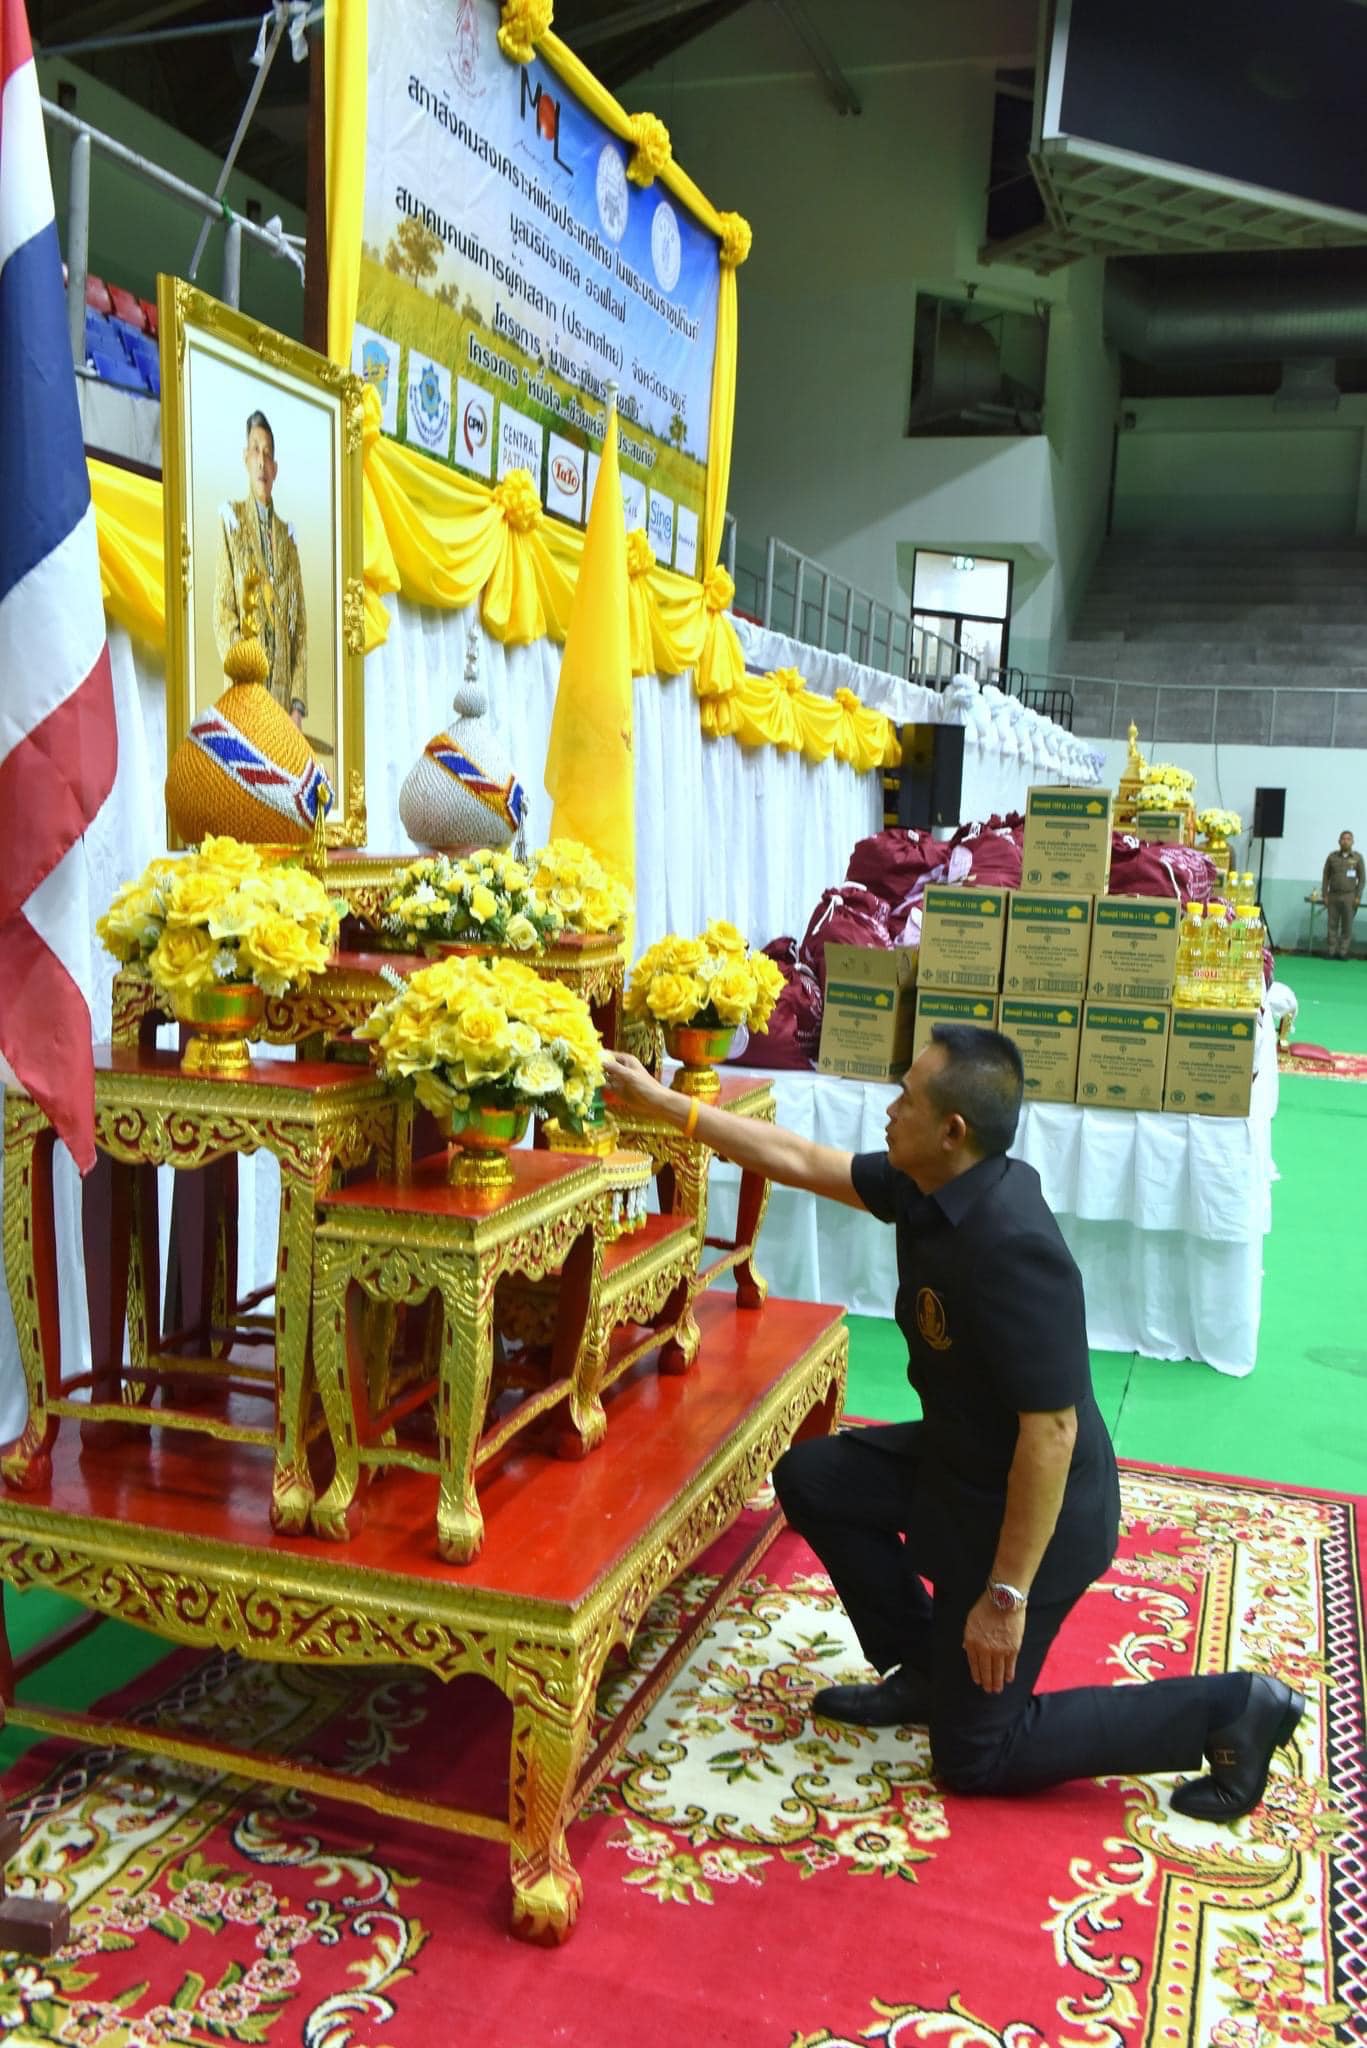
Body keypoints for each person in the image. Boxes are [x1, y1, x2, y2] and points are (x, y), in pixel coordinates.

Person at [602, 1026, 1303, 1820]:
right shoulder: (929, 1182)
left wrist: (1003, 1597)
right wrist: (663, 1104)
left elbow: (1051, 1435)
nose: (887, 1110)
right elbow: (797, 1158)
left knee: (975, 1757)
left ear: (951, 1130)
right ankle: (931, 1670)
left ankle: (1229, 1708)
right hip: (961, 1461)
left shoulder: (1011, 1245)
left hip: (1034, 1514)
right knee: (814, 1477)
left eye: (904, 1099)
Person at [213, 409, 308, 726]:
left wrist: (297, 705)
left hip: (282, 709)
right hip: (244, 698)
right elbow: (222, 611)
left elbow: (299, 626)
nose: (261, 462)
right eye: (255, 450)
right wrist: (244, 672)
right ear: (245, 458)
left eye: (267, 454)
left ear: (275, 469)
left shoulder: (288, 539)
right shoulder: (232, 521)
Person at [1320, 830, 1362, 959]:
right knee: (1332, 925)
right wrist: (1324, 894)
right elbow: (1326, 876)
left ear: (1352, 842)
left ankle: (1343, 952)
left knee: (1347, 925)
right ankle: (1331, 951)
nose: (1345, 841)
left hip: (1350, 896)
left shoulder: (1357, 858)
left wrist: (1358, 896)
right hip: (1333, 895)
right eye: (1343, 839)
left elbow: (1362, 879)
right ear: (1339, 841)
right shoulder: (1332, 857)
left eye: (1348, 839)